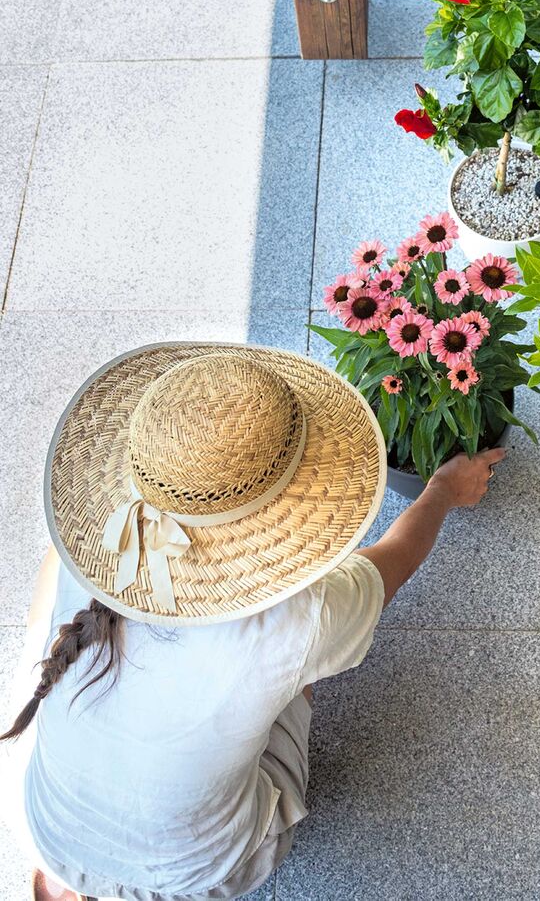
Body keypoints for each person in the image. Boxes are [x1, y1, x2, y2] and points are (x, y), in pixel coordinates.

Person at [0, 342, 504, 901]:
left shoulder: (102, 539)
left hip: (43, 823)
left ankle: (73, 884)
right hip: (201, 871)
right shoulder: (292, 619)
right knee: (299, 664)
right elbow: (392, 563)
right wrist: (442, 491)